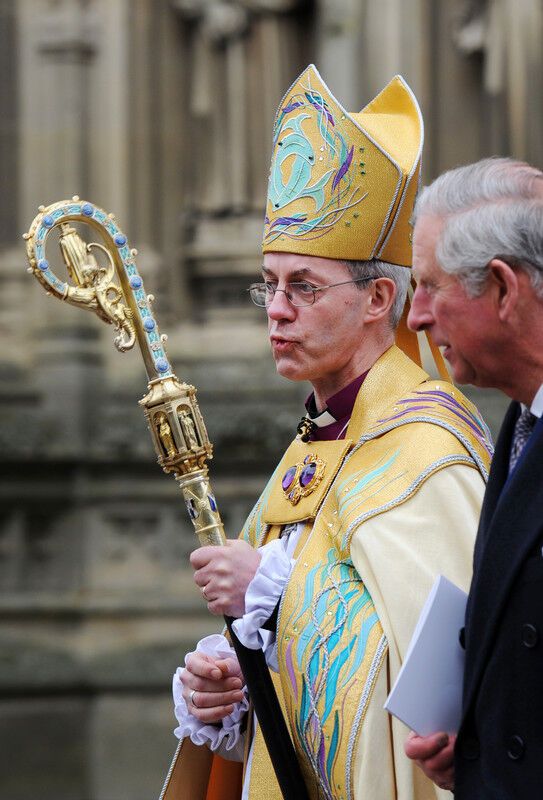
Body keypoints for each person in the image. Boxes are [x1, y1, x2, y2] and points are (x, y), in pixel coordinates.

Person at [169, 66, 492, 800]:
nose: (275, 310)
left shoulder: (427, 450)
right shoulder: (309, 448)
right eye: (267, 284)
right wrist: (227, 688)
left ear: (380, 297)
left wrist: (279, 598)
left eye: (303, 287)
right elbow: (283, 674)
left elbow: (444, 694)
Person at [404, 157, 543, 799]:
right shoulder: (519, 425)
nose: (416, 318)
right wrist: (484, 741)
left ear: (503, 288)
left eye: (429, 287)